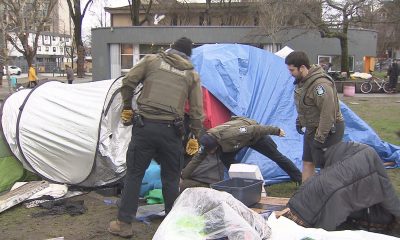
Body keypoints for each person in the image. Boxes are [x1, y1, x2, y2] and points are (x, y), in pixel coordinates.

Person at [108, 37, 204, 238]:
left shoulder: (151, 60)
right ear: (188, 55)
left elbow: (128, 82)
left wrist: (128, 107)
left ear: (171, 48)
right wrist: (195, 135)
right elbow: (196, 110)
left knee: (134, 175)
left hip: (145, 128)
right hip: (172, 132)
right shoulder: (191, 74)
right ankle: (175, 229)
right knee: (171, 179)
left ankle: (124, 224)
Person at [188, 116, 302, 185]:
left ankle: (299, 178)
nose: (209, 154)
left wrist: (276, 131)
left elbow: (255, 129)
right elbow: (197, 158)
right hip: (236, 143)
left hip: (254, 136)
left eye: (211, 151)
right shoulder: (208, 140)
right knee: (226, 158)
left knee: (276, 156)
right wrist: (183, 176)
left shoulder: (231, 135)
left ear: (215, 146)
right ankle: (243, 182)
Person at [285, 51, 344, 183]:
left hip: (328, 129)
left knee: (327, 167)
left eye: (292, 70)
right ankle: (305, 196)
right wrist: (300, 120)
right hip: (312, 127)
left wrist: (320, 137)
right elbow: (306, 104)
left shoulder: (320, 85)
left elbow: (328, 113)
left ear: (302, 68)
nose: (290, 73)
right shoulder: (303, 82)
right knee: (307, 161)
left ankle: (331, 197)